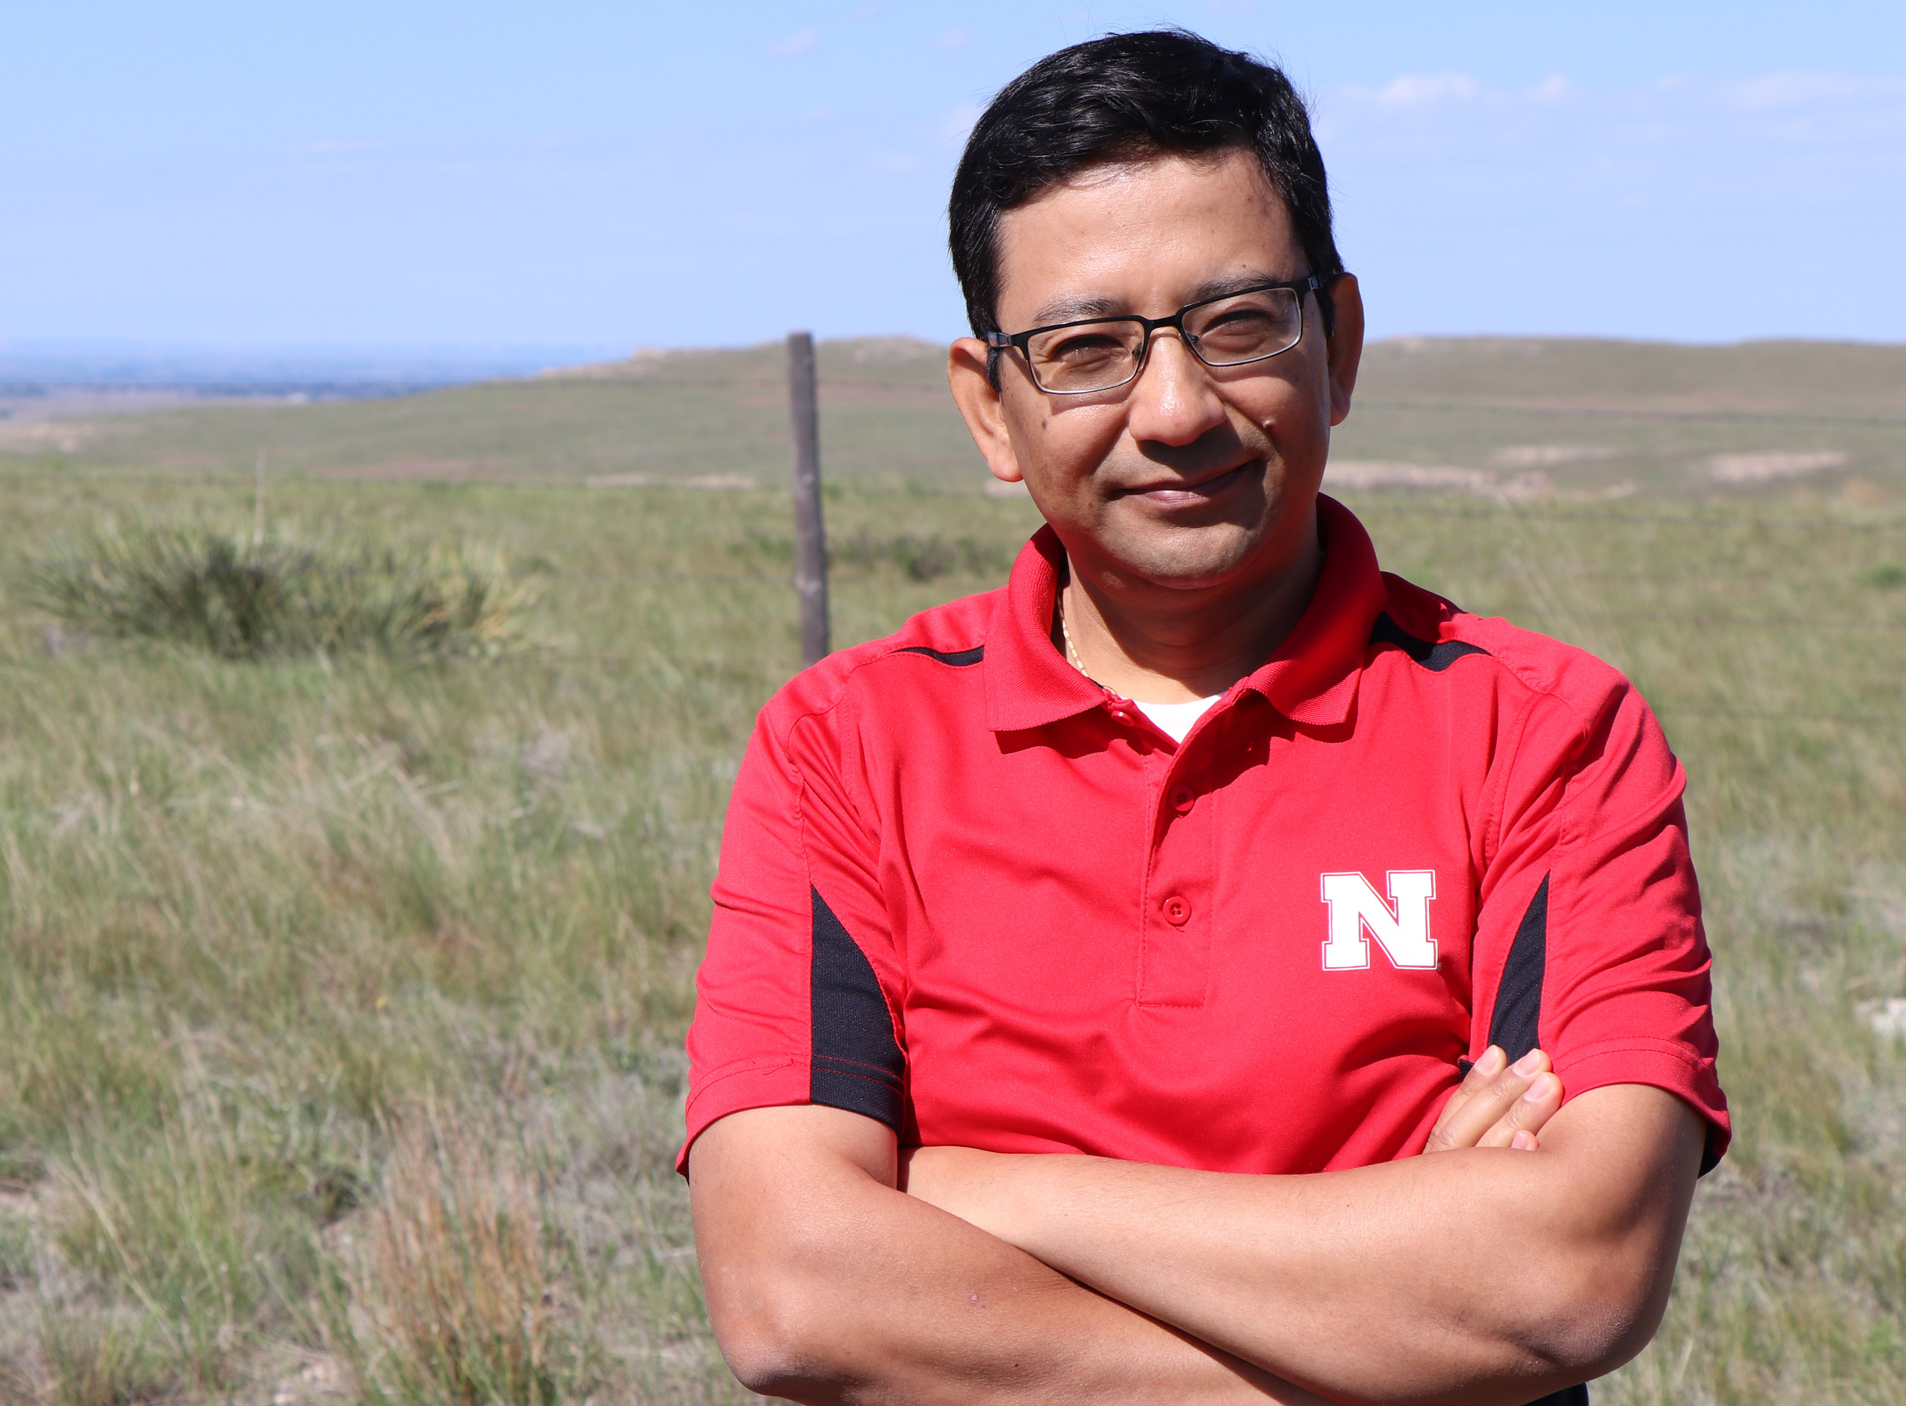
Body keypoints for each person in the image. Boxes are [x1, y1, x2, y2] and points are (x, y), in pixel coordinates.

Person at [680, 29, 1728, 1406]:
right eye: (1086, 348)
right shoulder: (844, 748)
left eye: (1237, 324)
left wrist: (987, 1192)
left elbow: (1568, 1278)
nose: (1176, 409)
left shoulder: (1547, 736)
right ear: (991, 407)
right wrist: (1398, 1312)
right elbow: (794, 1296)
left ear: (1338, 344)